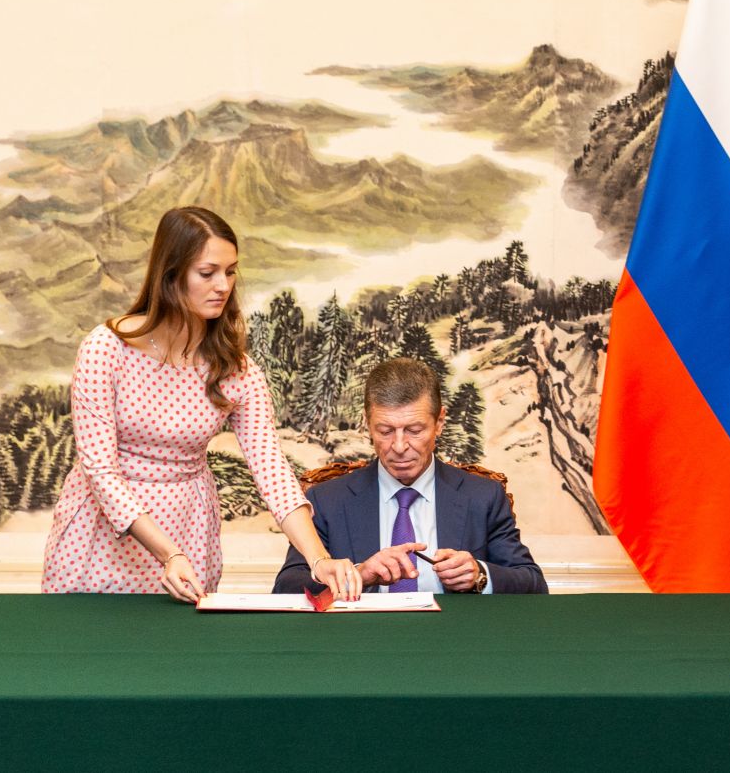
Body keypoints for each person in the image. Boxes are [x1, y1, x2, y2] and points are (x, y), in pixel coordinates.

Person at [43, 207, 362, 602]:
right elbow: (100, 469)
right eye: (207, 272)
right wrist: (168, 553)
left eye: (230, 272)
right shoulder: (106, 348)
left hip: (187, 527)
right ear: (171, 274)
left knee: (179, 656)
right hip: (104, 534)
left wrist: (319, 559)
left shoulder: (235, 367)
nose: (223, 285)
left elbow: (272, 471)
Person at [272, 358, 545, 594]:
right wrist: (359, 574)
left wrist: (479, 575)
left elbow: (533, 584)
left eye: (414, 430)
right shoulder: (327, 499)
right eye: (385, 431)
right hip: (359, 644)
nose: (400, 447)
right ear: (367, 423)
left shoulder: (482, 497)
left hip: (455, 644)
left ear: (439, 423)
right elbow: (287, 586)